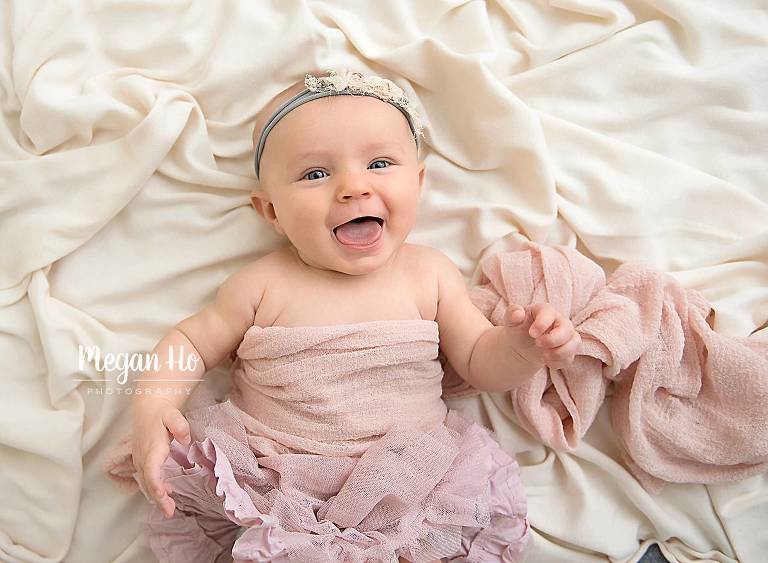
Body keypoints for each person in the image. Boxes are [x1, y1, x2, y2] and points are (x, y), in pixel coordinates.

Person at [127, 69, 581, 562]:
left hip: (411, 492)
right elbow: (189, 344)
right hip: (278, 488)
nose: (353, 188)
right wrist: (152, 411)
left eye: (380, 163)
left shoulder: (429, 274)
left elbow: (478, 360)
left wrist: (521, 348)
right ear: (271, 212)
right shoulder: (261, 283)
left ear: (419, 182)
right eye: (315, 174)